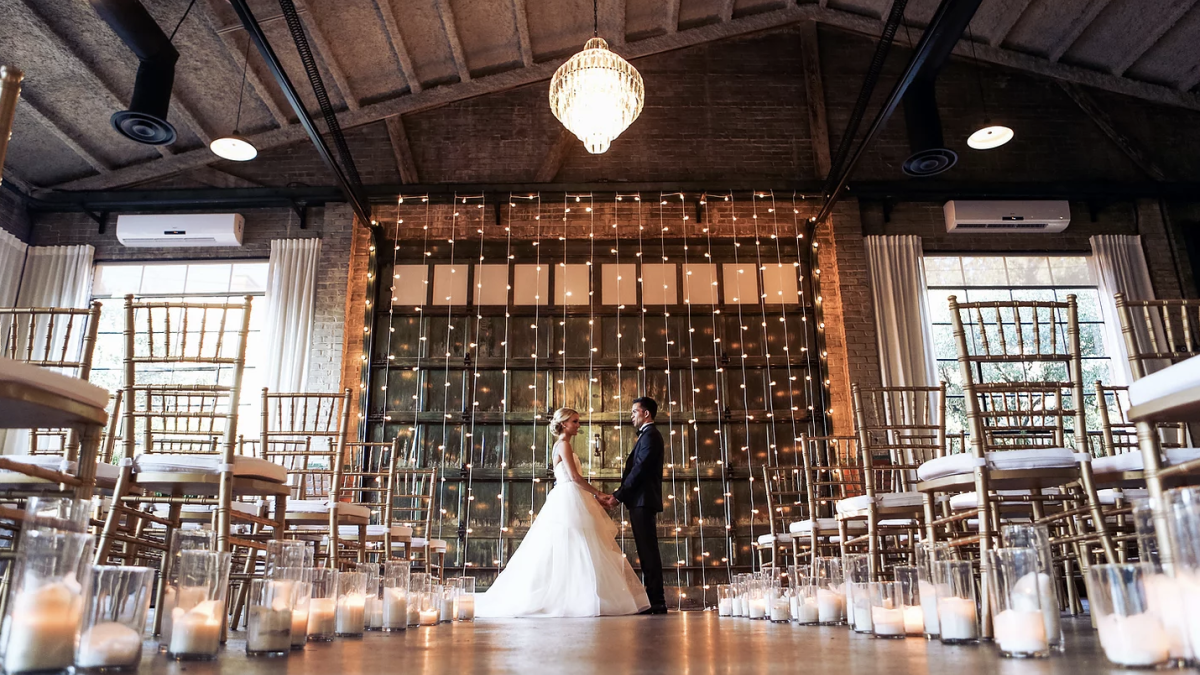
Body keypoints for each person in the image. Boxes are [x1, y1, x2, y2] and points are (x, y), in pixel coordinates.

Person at [475, 407, 650, 617]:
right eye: (575, 421)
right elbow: (574, 477)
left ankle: (577, 595)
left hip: (571, 496)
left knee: (577, 545)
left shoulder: (562, 445)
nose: (578, 425)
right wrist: (598, 494)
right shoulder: (564, 445)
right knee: (573, 542)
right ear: (564, 424)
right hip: (568, 496)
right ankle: (571, 598)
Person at [605, 397, 667, 614]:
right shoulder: (647, 436)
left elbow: (639, 470)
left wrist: (618, 496)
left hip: (643, 501)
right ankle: (654, 600)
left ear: (646, 413)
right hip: (640, 501)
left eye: (634, 412)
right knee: (646, 549)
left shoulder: (651, 436)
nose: (631, 416)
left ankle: (657, 601)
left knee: (648, 551)